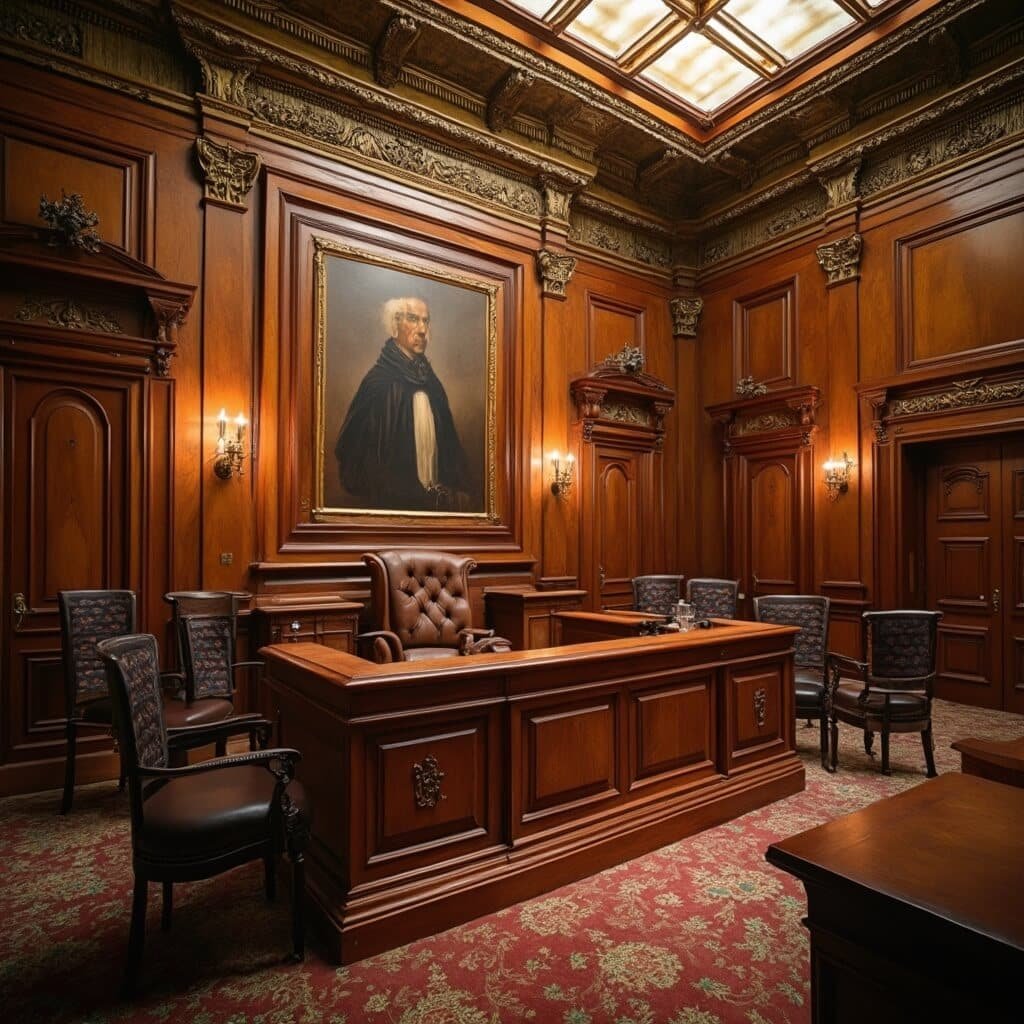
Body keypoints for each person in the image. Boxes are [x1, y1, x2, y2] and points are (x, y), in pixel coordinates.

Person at [334, 296, 475, 512]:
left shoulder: (432, 383)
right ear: (394, 326)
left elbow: (451, 450)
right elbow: (351, 452)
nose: (422, 329)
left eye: (425, 321)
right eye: (413, 319)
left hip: (436, 511)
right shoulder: (378, 383)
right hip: (392, 511)